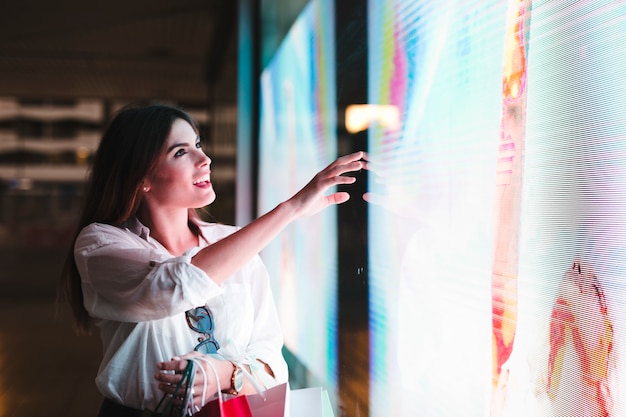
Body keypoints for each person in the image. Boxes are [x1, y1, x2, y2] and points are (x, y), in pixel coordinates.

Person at [57, 103, 367, 416]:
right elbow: (171, 286)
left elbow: (273, 364)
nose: (204, 160)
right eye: (181, 152)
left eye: (198, 145)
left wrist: (225, 375)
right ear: (141, 177)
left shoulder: (233, 243)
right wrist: (289, 210)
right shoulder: (99, 244)